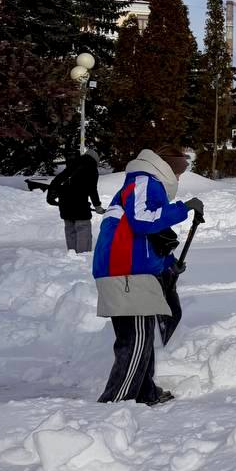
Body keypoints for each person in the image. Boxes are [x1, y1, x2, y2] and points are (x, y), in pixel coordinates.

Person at [92, 145, 204, 406]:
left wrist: (169, 264)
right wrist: (183, 208)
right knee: (136, 339)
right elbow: (142, 221)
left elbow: (150, 238)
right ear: (168, 166)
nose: (178, 179)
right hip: (127, 272)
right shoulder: (144, 180)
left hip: (131, 270)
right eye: (179, 173)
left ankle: (145, 393)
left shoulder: (145, 186)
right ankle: (116, 402)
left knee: (141, 337)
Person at [46, 148, 104, 252]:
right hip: (80, 205)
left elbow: (57, 180)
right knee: (83, 228)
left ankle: (72, 254)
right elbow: (92, 189)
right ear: (95, 160)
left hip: (65, 204)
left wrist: (50, 197)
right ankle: (82, 256)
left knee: (70, 229)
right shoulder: (92, 169)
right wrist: (97, 206)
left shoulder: (72, 164)